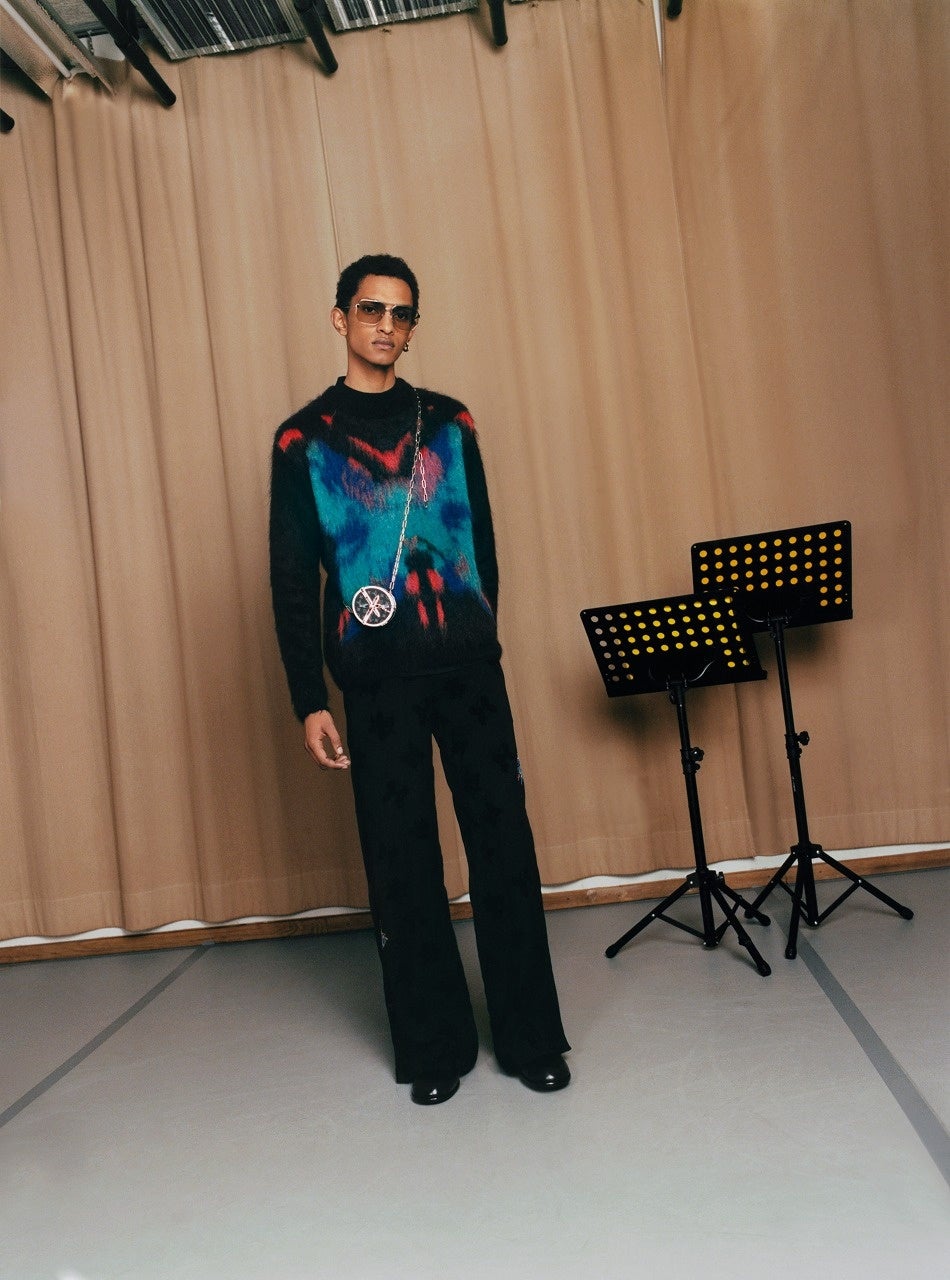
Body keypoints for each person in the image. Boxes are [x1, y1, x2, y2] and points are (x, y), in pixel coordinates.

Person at [269, 254, 570, 1105]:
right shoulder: (301, 440)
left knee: (504, 849)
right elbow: (292, 577)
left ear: (411, 328)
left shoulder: (450, 421)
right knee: (401, 862)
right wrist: (308, 699)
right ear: (340, 318)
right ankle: (434, 1047)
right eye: (371, 310)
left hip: (467, 669)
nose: (386, 327)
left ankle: (532, 1038)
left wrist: (480, 632)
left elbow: (485, 545)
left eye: (401, 314)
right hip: (375, 680)